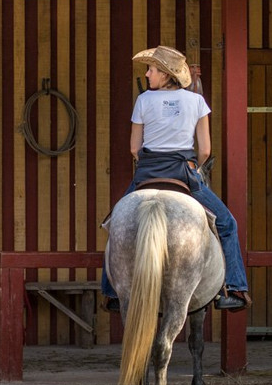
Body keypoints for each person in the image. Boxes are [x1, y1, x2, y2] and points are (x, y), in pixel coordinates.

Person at [102, 46, 250, 313]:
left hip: (147, 172)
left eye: (152, 69)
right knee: (227, 223)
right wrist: (195, 168)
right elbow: (205, 150)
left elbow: (134, 149)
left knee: (115, 224)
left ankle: (112, 291)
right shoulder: (197, 103)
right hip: (184, 172)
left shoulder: (144, 101)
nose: (147, 74)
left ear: (166, 74)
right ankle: (236, 288)